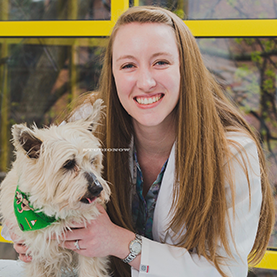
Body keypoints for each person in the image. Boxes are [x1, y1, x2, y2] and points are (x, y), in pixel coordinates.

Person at [9, 5, 275, 277]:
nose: (145, 81)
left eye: (161, 62)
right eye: (128, 65)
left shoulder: (232, 153)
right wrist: (28, 235)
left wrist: (120, 242)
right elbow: (30, 180)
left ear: (186, 68)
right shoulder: (89, 123)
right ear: (112, 73)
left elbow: (226, 271)